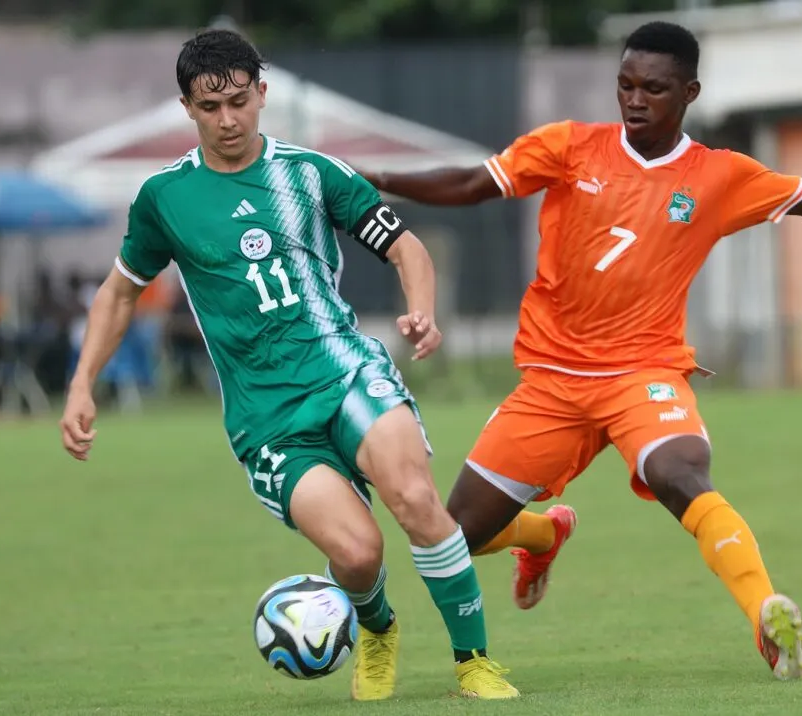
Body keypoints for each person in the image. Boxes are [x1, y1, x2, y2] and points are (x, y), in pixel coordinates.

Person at [363, 20, 802, 681]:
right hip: (553, 382)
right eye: (625, 84)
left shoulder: (718, 176)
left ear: (689, 92)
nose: (635, 99)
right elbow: (473, 183)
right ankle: (539, 533)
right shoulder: (569, 147)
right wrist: (370, 178)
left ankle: (768, 618)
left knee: (681, 474)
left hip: (644, 374)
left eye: (654, 87)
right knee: (447, 537)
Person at [58, 28, 518, 701]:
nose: (227, 120)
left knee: (416, 500)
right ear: (187, 107)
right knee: (358, 555)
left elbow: (406, 247)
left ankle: (473, 660)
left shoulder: (310, 172)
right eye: (210, 108)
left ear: (262, 94)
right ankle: (379, 629)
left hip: (346, 372)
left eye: (239, 102)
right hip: (267, 418)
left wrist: (421, 309)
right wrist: (80, 385)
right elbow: (119, 292)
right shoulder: (166, 198)